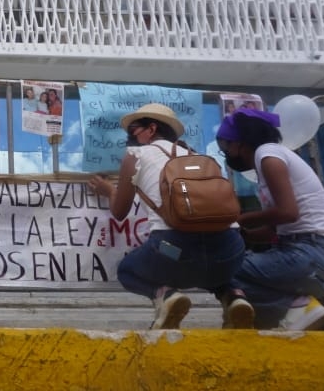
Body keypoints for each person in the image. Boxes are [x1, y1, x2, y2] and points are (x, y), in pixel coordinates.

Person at [87, 103, 250, 329]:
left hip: (174, 250)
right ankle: (234, 295)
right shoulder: (200, 158)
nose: (128, 137)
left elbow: (119, 212)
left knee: (127, 269)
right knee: (212, 263)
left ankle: (165, 296)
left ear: (151, 129)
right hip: (231, 250)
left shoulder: (136, 155)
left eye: (133, 129)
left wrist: (109, 190)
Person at [216, 108, 324, 330]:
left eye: (225, 147)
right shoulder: (274, 157)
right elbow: (277, 230)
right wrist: (245, 234)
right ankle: (309, 314)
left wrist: (239, 219)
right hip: (315, 260)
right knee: (243, 297)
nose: (226, 154)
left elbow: (288, 212)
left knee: (218, 267)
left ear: (241, 141)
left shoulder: (268, 155)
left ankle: (295, 307)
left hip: (309, 255)